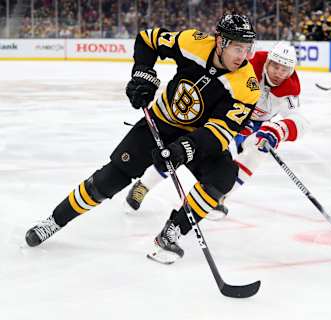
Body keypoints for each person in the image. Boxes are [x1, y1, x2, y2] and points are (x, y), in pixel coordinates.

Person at [25, 13, 261, 264]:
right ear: (220, 42)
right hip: (159, 122)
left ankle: (173, 232)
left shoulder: (247, 87)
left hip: (196, 135)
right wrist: (142, 74)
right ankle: (54, 220)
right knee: (109, 179)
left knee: (223, 176)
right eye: (237, 48)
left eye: (247, 48)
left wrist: (185, 148)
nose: (243, 56)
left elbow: (221, 131)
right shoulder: (192, 41)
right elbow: (147, 40)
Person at [124, 42, 308, 220]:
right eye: (275, 66)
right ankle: (144, 185)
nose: (278, 73)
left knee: (259, 150)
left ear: (291, 71)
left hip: (253, 124)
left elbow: (299, 120)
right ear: (267, 62)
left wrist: (278, 131)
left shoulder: (289, 92)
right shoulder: (248, 67)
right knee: (189, 149)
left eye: (284, 69)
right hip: (225, 114)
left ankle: (215, 196)